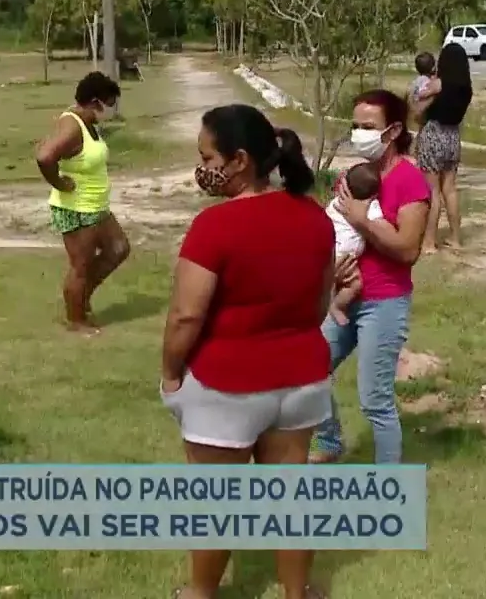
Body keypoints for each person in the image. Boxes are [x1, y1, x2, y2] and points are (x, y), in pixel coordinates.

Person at [161, 104, 333, 599]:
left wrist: (171, 374)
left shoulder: (215, 227)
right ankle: (297, 594)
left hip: (227, 386)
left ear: (239, 161)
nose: (202, 167)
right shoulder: (314, 217)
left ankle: (199, 594)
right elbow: (317, 304)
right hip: (301, 380)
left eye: (207, 156)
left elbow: (186, 316)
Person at [313, 89, 431, 465]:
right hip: (343, 296)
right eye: (355, 125)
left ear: (393, 130)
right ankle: (330, 444)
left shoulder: (410, 181)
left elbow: (408, 250)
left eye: (368, 126)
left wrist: (362, 220)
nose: (358, 133)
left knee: (375, 400)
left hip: (384, 302)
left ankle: (388, 482)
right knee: (309, 370)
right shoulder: (352, 177)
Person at [35, 71, 131, 335]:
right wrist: (58, 183)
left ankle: (81, 297)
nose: (110, 110)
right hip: (76, 208)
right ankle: (76, 319)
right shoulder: (73, 125)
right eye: (108, 104)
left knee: (119, 248)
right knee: (81, 265)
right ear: (94, 102)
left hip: (97, 204)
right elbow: (44, 157)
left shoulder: (87, 123)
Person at [411, 43, 469, 252]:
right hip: (453, 136)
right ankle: (455, 238)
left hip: (434, 135)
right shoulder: (465, 88)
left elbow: (418, 111)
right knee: (450, 190)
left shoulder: (438, 84)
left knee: (432, 192)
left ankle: (429, 241)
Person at [325, 161, 383, 325]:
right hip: (346, 255)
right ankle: (336, 306)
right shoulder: (370, 207)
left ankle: (328, 306)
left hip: (331, 249)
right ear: (374, 194)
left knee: (328, 283)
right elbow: (379, 224)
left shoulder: (337, 201)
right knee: (355, 284)